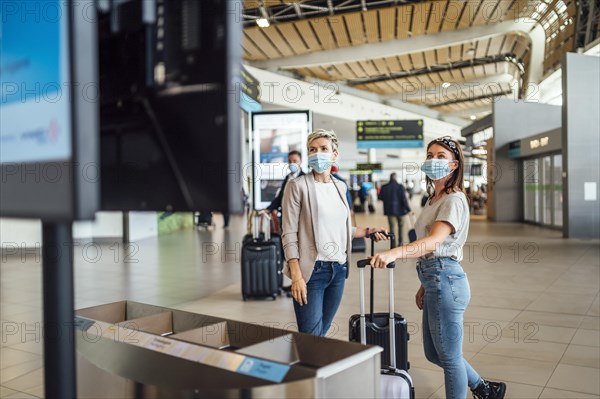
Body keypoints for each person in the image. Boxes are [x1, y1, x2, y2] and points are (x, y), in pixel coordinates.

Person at [370, 137, 506, 399]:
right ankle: (484, 389)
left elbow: (433, 242)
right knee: (434, 353)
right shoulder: (434, 199)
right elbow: (434, 251)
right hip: (435, 280)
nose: (433, 160)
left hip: (447, 283)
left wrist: (393, 253)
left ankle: (482, 390)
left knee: (451, 358)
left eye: (441, 156)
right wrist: (424, 283)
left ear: (454, 164)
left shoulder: (453, 200)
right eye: (430, 155)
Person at [282, 129, 388, 336]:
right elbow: (288, 232)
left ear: (334, 155)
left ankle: (313, 367)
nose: (317, 154)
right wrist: (296, 275)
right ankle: (307, 366)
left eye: (323, 149)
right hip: (311, 272)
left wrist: (368, 231)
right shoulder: (298, 186)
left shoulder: (340, 186)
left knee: (322, 332)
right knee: (311, 336)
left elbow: (341, 227)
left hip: (338, 270)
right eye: (312, 150)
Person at [261, 150, 305, 217]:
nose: (292, 164)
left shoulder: (305, 178)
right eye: (290, 161)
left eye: (295, 161)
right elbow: (281, 197)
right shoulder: (288, 177)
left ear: (301, 162)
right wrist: (268, 209)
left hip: (299, 217)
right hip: (285, 215)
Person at [379, 173, 411, 246]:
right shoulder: (400, 187)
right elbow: (404, 199)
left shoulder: (384, 187)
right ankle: (400, 243)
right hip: (402, 211)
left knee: (392, 228)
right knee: (401, 227)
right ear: (396, 178)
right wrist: (408, 209)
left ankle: (393, 244)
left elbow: (380, 197)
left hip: (390, 211)